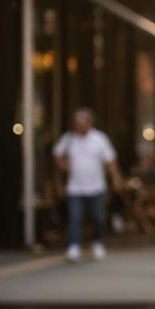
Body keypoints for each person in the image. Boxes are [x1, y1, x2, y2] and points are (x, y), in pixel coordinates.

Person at [53, 108, 122, 262]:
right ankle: (74, 246)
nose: (79, 126)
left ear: (89, 123)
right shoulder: (69, 138)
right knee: (75, 217)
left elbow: (110, 160)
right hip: (75, 187)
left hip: (96, 186)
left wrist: (115, 177)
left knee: (98, 217)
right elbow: (57, 152)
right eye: (77, 124)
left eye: (82, 123)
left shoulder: (99, 139)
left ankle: (97, 243)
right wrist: (63, 165)